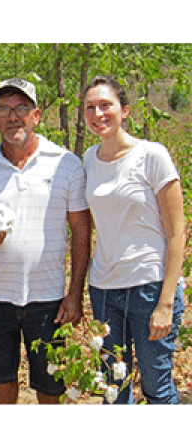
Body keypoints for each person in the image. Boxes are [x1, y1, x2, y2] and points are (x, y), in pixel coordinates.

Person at [0, 78, 91, 404]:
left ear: (37, 115)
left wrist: (75, 294)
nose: (13, 116)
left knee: (50, 386)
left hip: (48, 299)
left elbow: (81, 232)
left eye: (21, 108)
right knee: (1, 382)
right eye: (4, 109)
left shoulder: (65, 164)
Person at [83, 75, 186, 404]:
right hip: (104, 289)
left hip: (149, 287)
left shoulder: (152, 155)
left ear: (124, 110)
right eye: (90, 108)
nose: (98, 114)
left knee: (157, 388)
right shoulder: (89, 159)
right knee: (113, 388)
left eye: (105, 105)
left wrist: (166, 303)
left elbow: (176, 233)